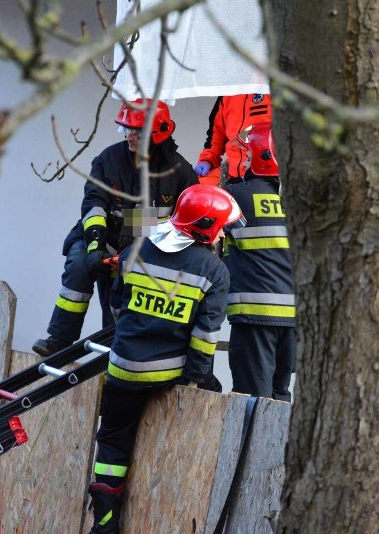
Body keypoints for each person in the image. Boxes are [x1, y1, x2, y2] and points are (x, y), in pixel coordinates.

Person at [87, 184, 244, 534]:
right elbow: (204, 338)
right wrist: (195, 380)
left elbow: (115, 306)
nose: (222, 235)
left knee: (112, 441)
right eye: (220, 228)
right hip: (168, 374)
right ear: (206, 228)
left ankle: (104, 523)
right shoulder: (214, 272)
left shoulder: (134, 249)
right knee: (212, 394)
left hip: (123, 367)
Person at [32, 99, 198, 357]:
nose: (129, 136)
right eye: (125, 130)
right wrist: (96, 246)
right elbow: (94, 204)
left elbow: (183, 222)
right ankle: (60, 341)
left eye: (135, 131)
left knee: (124, 295)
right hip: (102, 232)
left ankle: (116, 349)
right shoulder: (109, 160)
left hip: (145, 243)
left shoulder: (180, 172)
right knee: (78, 265)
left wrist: (134, 249)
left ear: (157, 132)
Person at [222, 122, 296, 402]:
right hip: (292, 318)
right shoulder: (303, 201)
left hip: (254, 315)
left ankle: (248, 449)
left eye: (249, 156)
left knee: (251, 399)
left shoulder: (237, 196)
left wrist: (131, 224)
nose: (245, 160)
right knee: (279, 396)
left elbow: (191, 224)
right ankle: (276, 448)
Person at [193, 93, 272, 186]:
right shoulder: (228, 94)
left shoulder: (273, 90)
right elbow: (214, 138)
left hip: (263, 173)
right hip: (230, 173)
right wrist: (206, 160)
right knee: (196, 190)